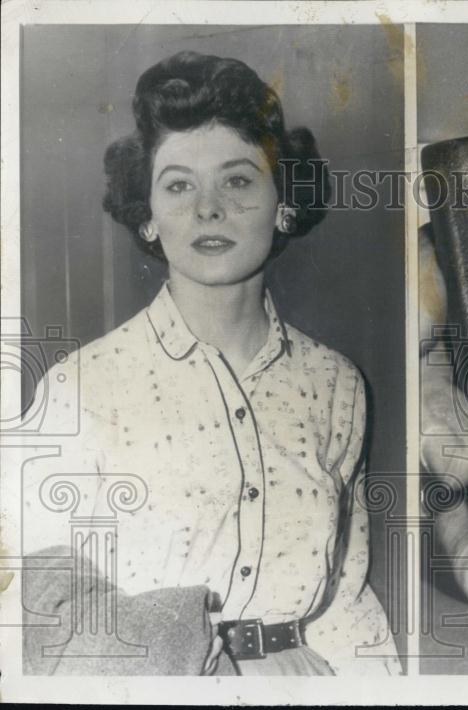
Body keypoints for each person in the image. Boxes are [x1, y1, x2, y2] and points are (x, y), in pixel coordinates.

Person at [22, 51, 399, 676]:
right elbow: (39, 615)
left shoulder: (338, 387)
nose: (208, 208)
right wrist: (218, 668)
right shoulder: (76, 390)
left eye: (239, 179)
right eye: (178, 185)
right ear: (147, 216)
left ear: (284, 203)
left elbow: (346, 603)